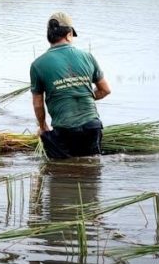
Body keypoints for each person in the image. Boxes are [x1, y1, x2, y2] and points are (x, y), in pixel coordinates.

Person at [30, 12, 111, 159]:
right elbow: (105, 90)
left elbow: (38, 104)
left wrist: (43, 128)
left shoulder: (38, 65)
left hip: (64, 130)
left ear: (49, 35)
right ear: (68, 35)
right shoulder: (87, 57)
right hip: (92, 127)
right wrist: (84, 94)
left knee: (60, 167)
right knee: (91, 167)